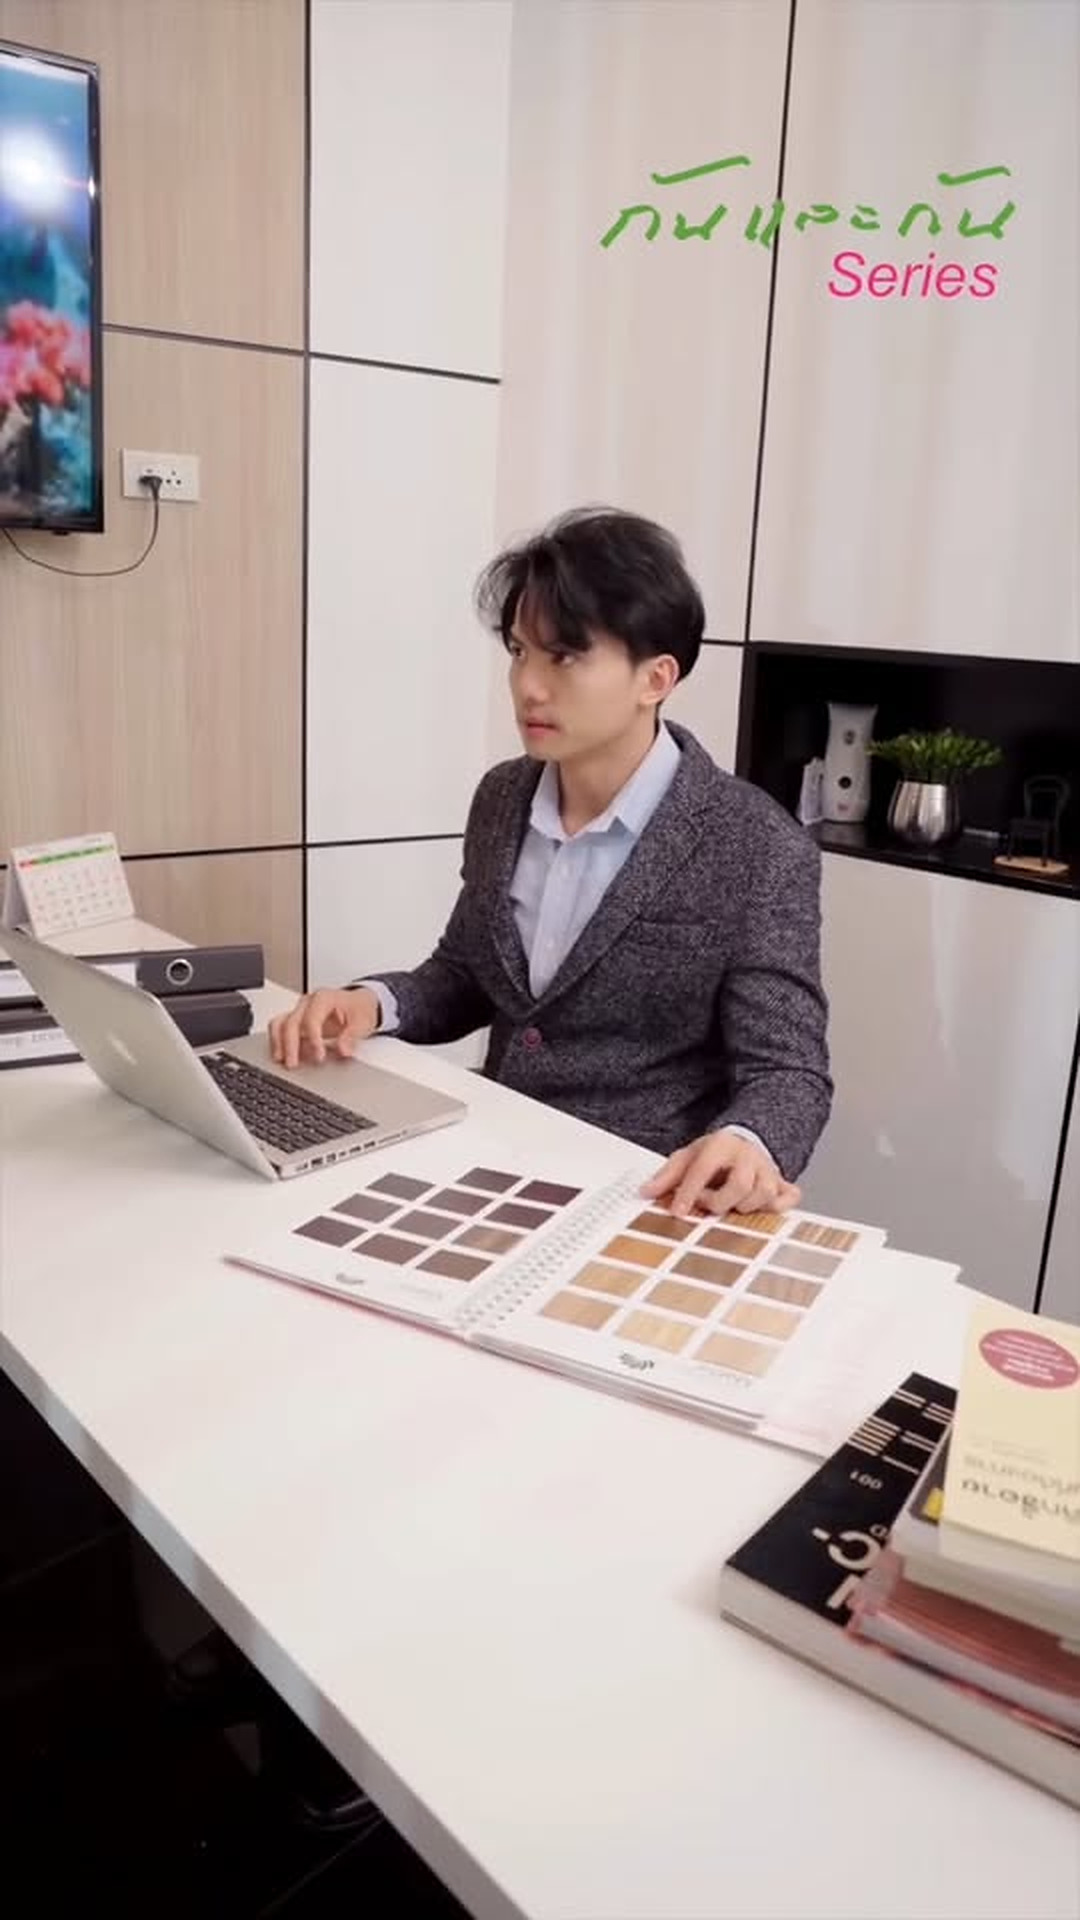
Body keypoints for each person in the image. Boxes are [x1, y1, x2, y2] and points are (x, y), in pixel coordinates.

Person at [270, 507, 832, 1217]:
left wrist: (751, 1141)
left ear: (655, 678)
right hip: (493, 1156)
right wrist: (373, 1003)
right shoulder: (503, 797)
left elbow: (788, 1072)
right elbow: (465, 975)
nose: (528, 686)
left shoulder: (755, 844)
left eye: (563, 656)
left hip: (644, 1193)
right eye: (518, 652)